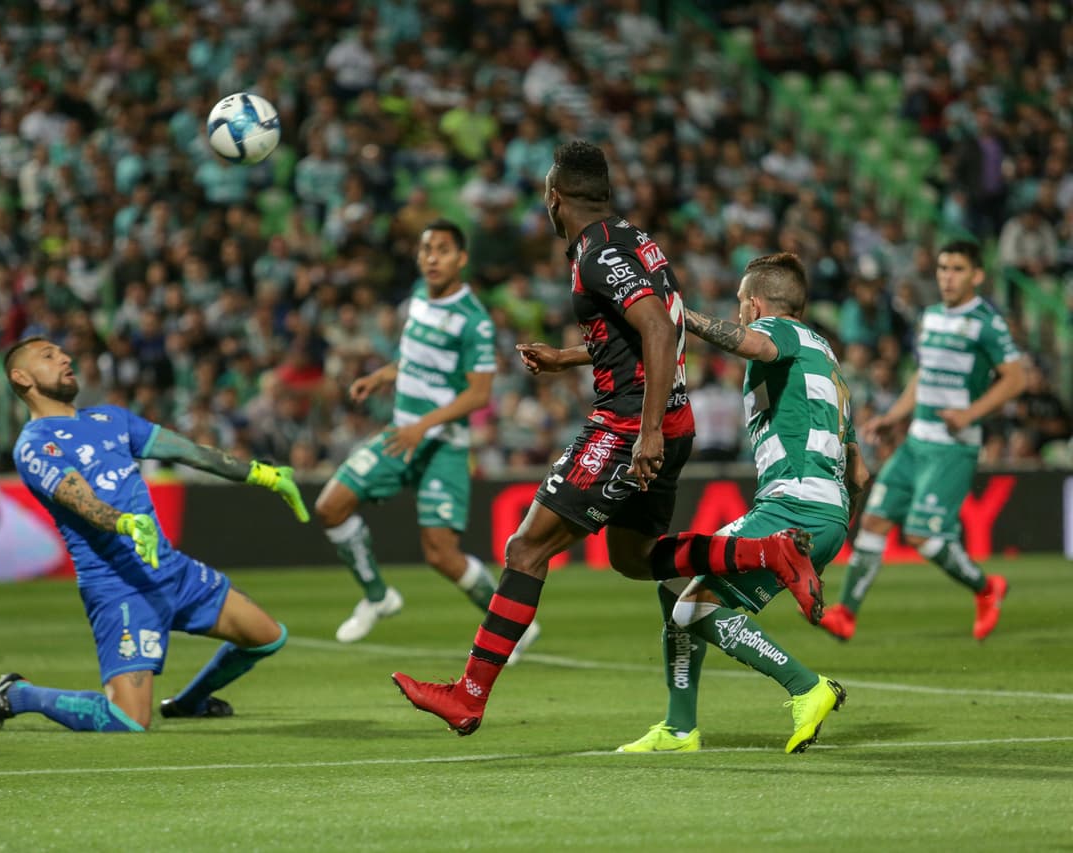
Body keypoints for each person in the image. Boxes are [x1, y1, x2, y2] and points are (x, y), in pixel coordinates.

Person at [391, 141, 822, 738]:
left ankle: (468, 695)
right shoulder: (635, 239)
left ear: (554, 196)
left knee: (524, 550)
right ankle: (765, 551)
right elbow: (654, 323)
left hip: (629, 426)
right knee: (633, 558)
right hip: (671, 419)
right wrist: (572, 357)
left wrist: (644, 434)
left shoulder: (597, 254)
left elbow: (654, 326)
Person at [0, 336, 309, 733]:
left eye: (62, 352)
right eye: (49, 355)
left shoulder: (111, 419)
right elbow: (82, 501)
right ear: (21, 377)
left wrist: (259, 474)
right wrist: (125, 522)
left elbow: (189, 452)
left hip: (173, 571)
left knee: (267, 637)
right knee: (128, 721)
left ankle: (188, 703)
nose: (65, 357)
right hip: (118, 587)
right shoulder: (36, 445)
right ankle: (17, 694)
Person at [618, 252, 868, 755]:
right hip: (826, 514)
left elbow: (753, 342)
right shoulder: (828, 362)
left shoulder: (785, 333)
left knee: (690, 605)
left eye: (738, 304)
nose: (737, 314)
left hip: (791, 507)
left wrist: (678, 314)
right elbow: (859, 472)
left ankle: (807, 687)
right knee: (674, 582)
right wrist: (825, 546)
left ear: (756, 305)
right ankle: (679, 726)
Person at [314, 219, 524, 651]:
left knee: (441, 555)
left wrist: (422, 427)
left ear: (461, 259)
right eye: (426, 248)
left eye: (442, 249)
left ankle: (509, 627)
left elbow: (479, 394)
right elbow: (413, 361)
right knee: (331, 507)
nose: (431, 257)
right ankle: (378, 596)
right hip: (401, 434)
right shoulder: (418, 301)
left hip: (441, 444)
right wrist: (380, 376)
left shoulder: (475, 322)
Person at [819, 240, 1025, 642]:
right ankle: (846, 613)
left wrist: (969, 414)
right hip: (915, 442)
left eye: (958, 269)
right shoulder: (930, 317)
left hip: (953, 446)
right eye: (943, 267)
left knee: (922, 535)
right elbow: (923, 377)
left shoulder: (987, 322)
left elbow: (1015, 378)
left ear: (977, 275)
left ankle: (987, 589)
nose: (947, 276)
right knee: (875, 520)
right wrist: (892, 416)